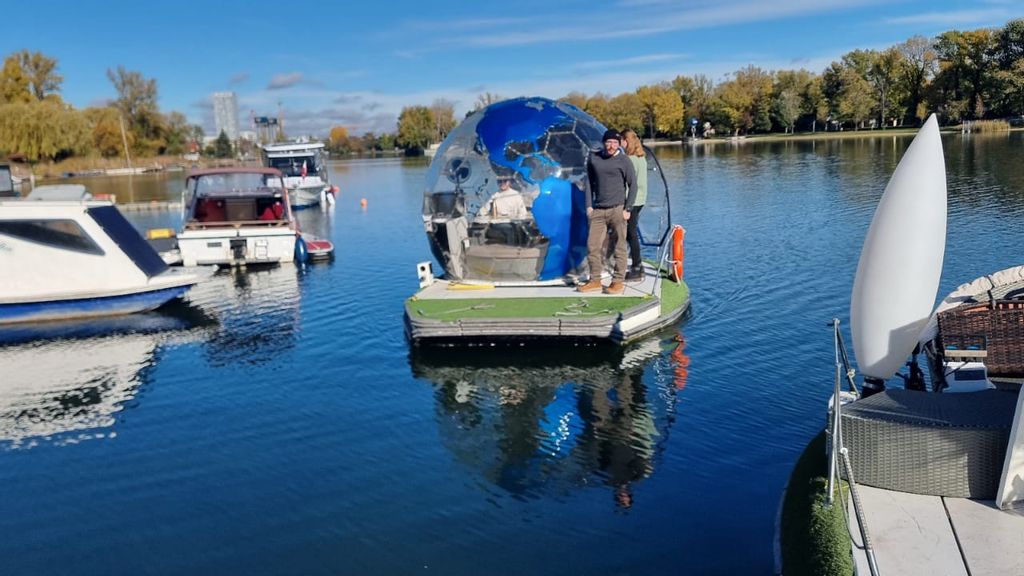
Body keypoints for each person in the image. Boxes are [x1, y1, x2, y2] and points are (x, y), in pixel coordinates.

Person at [579, 129, 636, 294]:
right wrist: (589, 206)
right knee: (593, 246)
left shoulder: (624, 160)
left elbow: (633, 185)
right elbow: (589, 182)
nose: (611, 146)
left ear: (619, 144)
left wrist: (628, 208)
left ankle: (618, 281)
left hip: (618, 209)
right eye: (609, 142)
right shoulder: (594, 158)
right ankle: (595, 280)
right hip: (598, 210)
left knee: (619, 247)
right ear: (604, 143)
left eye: (615, 143)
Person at [621, 129, 648, 282]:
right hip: (641, 200)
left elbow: (629, 183)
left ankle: (637, 266)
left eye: (621, 140)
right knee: (632, 233)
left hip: (631, 201)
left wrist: (626, 204)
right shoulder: (641, 158)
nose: (619, 144)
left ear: (627, 141)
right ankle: (637, 265)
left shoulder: (629, 159)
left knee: (631, 234)